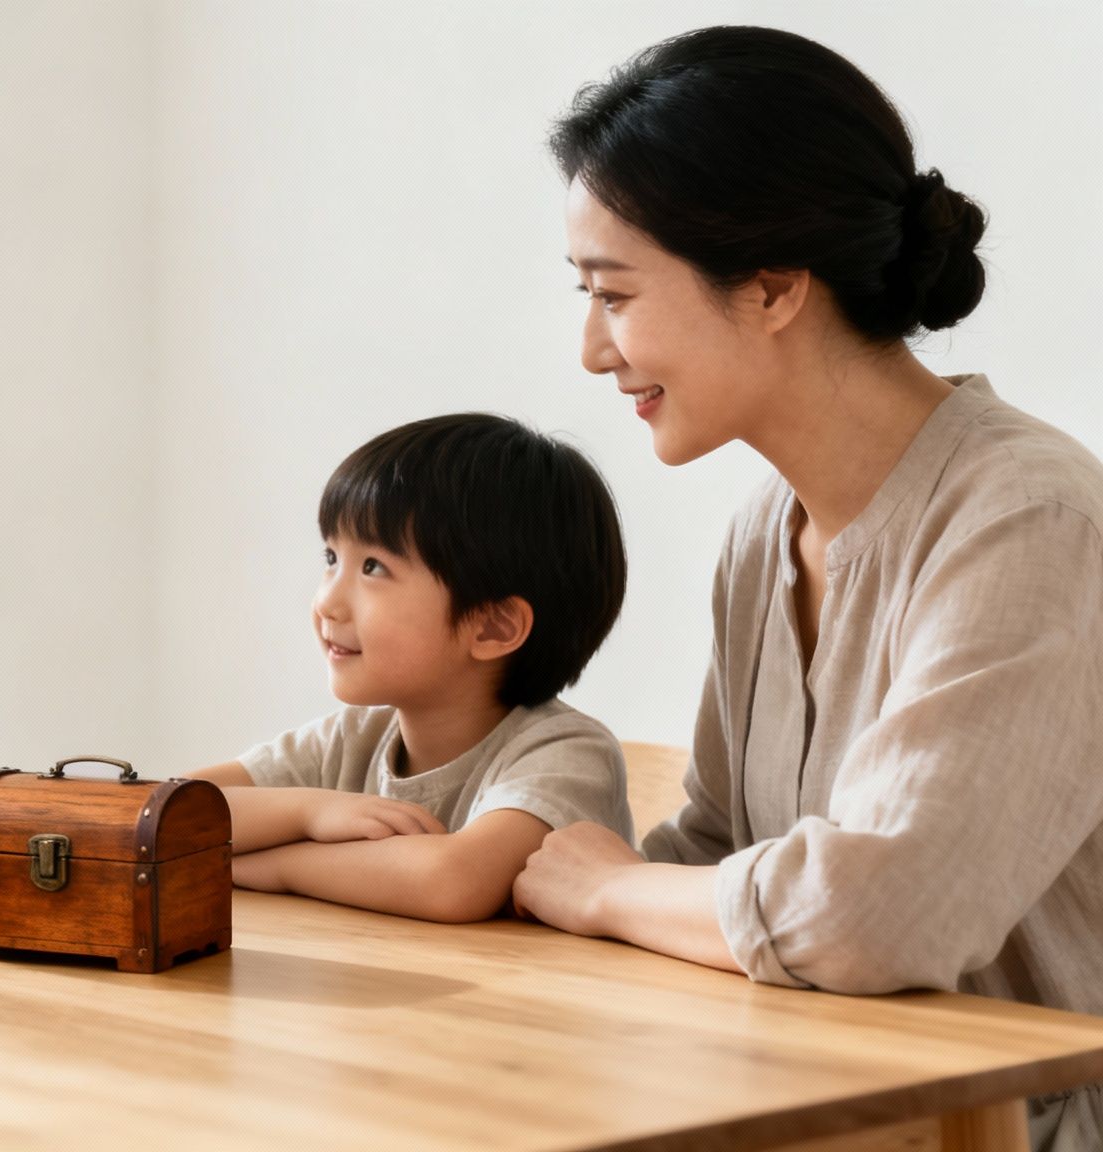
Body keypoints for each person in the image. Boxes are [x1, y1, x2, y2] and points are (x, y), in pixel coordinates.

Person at [508, 26, 1103, 1150]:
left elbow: (879, 917)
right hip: (807, 1098)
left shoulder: (1030, 519)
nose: (592, 349)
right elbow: (720, 850)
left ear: (774, 287)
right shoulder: (763, 531)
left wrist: (602, 892)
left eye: (615, 295)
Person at [189, 414, 630, 922]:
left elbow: (450, 882)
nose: (327, 602)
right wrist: (309, 812)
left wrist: (269, 865)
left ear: (492, 627)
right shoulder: (353, 739)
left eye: (373, 567)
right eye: (331, 557)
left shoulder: (566, 755)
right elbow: (166, 812)